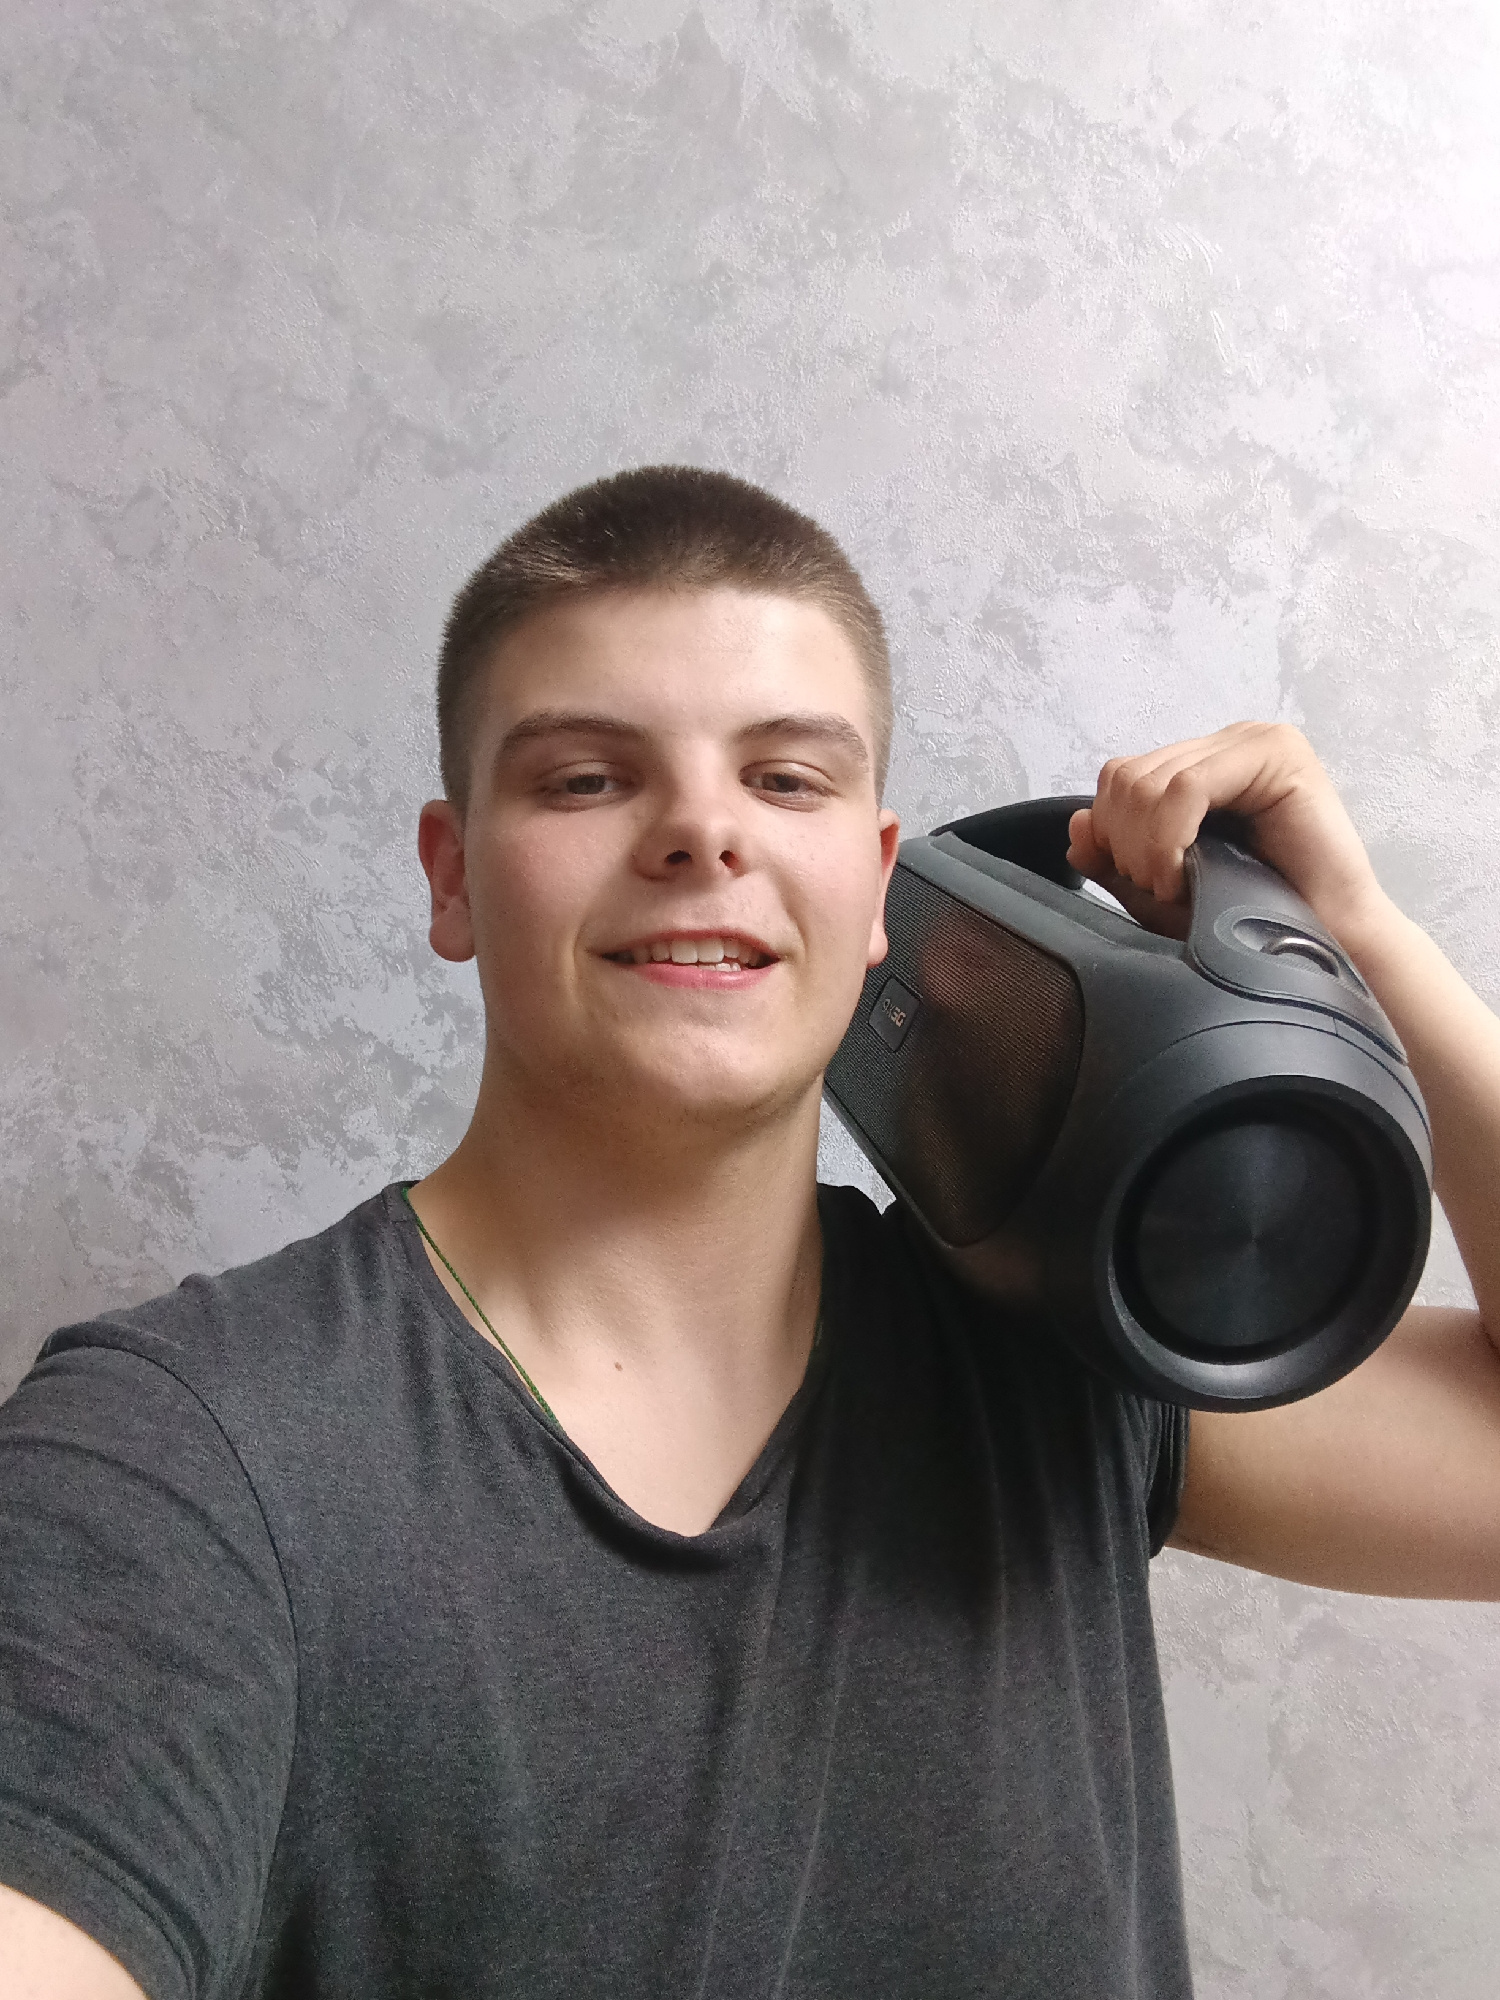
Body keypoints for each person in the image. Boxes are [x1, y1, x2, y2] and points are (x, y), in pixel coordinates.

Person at [2, 465, 1498, 2000]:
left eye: (785, 780)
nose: (702, 832)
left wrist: (1354, 937)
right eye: (587, 779)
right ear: (452, 877)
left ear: (881, 886)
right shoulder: (183, 1460)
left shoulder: (1057, 1348)